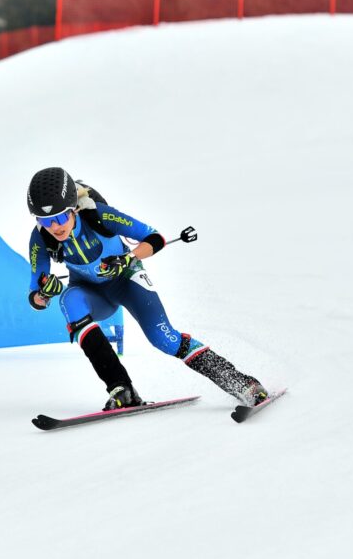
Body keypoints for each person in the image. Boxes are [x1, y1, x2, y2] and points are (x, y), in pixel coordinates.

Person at [25, 167, 270, 411]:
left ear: (74, 210)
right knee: (68, 300)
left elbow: (154, 238)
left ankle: (241, 383)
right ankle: (121, 388)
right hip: (91, 294)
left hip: (126, 281)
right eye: (45, 221)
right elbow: (35, 299)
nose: (54, 227)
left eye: (60, 218)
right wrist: (45, 293)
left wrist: (127, 258)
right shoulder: (40, 239)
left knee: (163, 339)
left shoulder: (99, 216)